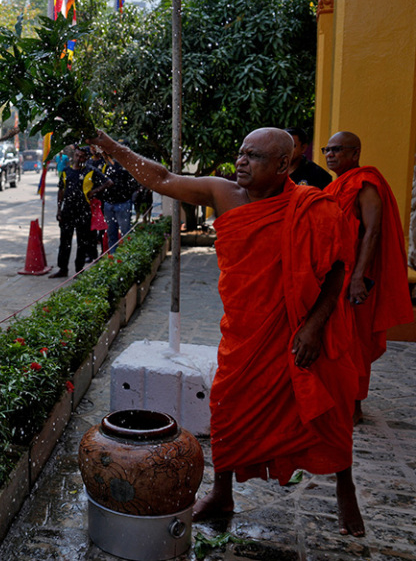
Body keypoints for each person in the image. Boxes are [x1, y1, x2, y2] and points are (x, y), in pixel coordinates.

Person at [87, 127, 365, 537]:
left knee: (327, 410)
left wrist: (314, 326)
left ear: (283, 164)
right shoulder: (223, 193)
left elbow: (338, 268)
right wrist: (111, 146)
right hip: (245, 334)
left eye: (254, 156)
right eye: (241, 153)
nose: (241, 162)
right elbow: (163, 179)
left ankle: (345, 489)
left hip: (297, 331)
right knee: (227, 408)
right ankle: (222, 493)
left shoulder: (311, 207)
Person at [322, 131, 412, 423]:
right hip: (336, 274)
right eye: (327, 149)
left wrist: (358, 277)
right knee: (333, 338)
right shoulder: (336, 185)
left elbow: (372, 232)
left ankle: (354, 405)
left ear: (355, 153)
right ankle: (334, 398)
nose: (330, 154)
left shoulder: (365, 184)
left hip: (354, 277)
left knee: (354, 341)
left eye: (337, 149)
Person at [50, 145, 111, 278]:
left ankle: (79, 269)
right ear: (74, 156)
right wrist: (59, 209)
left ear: (87, 158)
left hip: (84, 211)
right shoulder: (66, 171)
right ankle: (63, 269)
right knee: (64, 241)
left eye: (82, 157)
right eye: (77, 155)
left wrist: (94, 191)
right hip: (67, 211)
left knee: (82, 242)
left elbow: (108, 182)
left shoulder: (91, 171)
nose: (78, 158)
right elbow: (61, 190)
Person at [92, 144, 139, 251]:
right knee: (111, 233)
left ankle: (127, 254)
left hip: (123, 203)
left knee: (125, 233)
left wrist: (129, 197)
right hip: (109, 204)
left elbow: (134, 183)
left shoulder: (128, 165)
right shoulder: (106, 165)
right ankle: (113, 256)